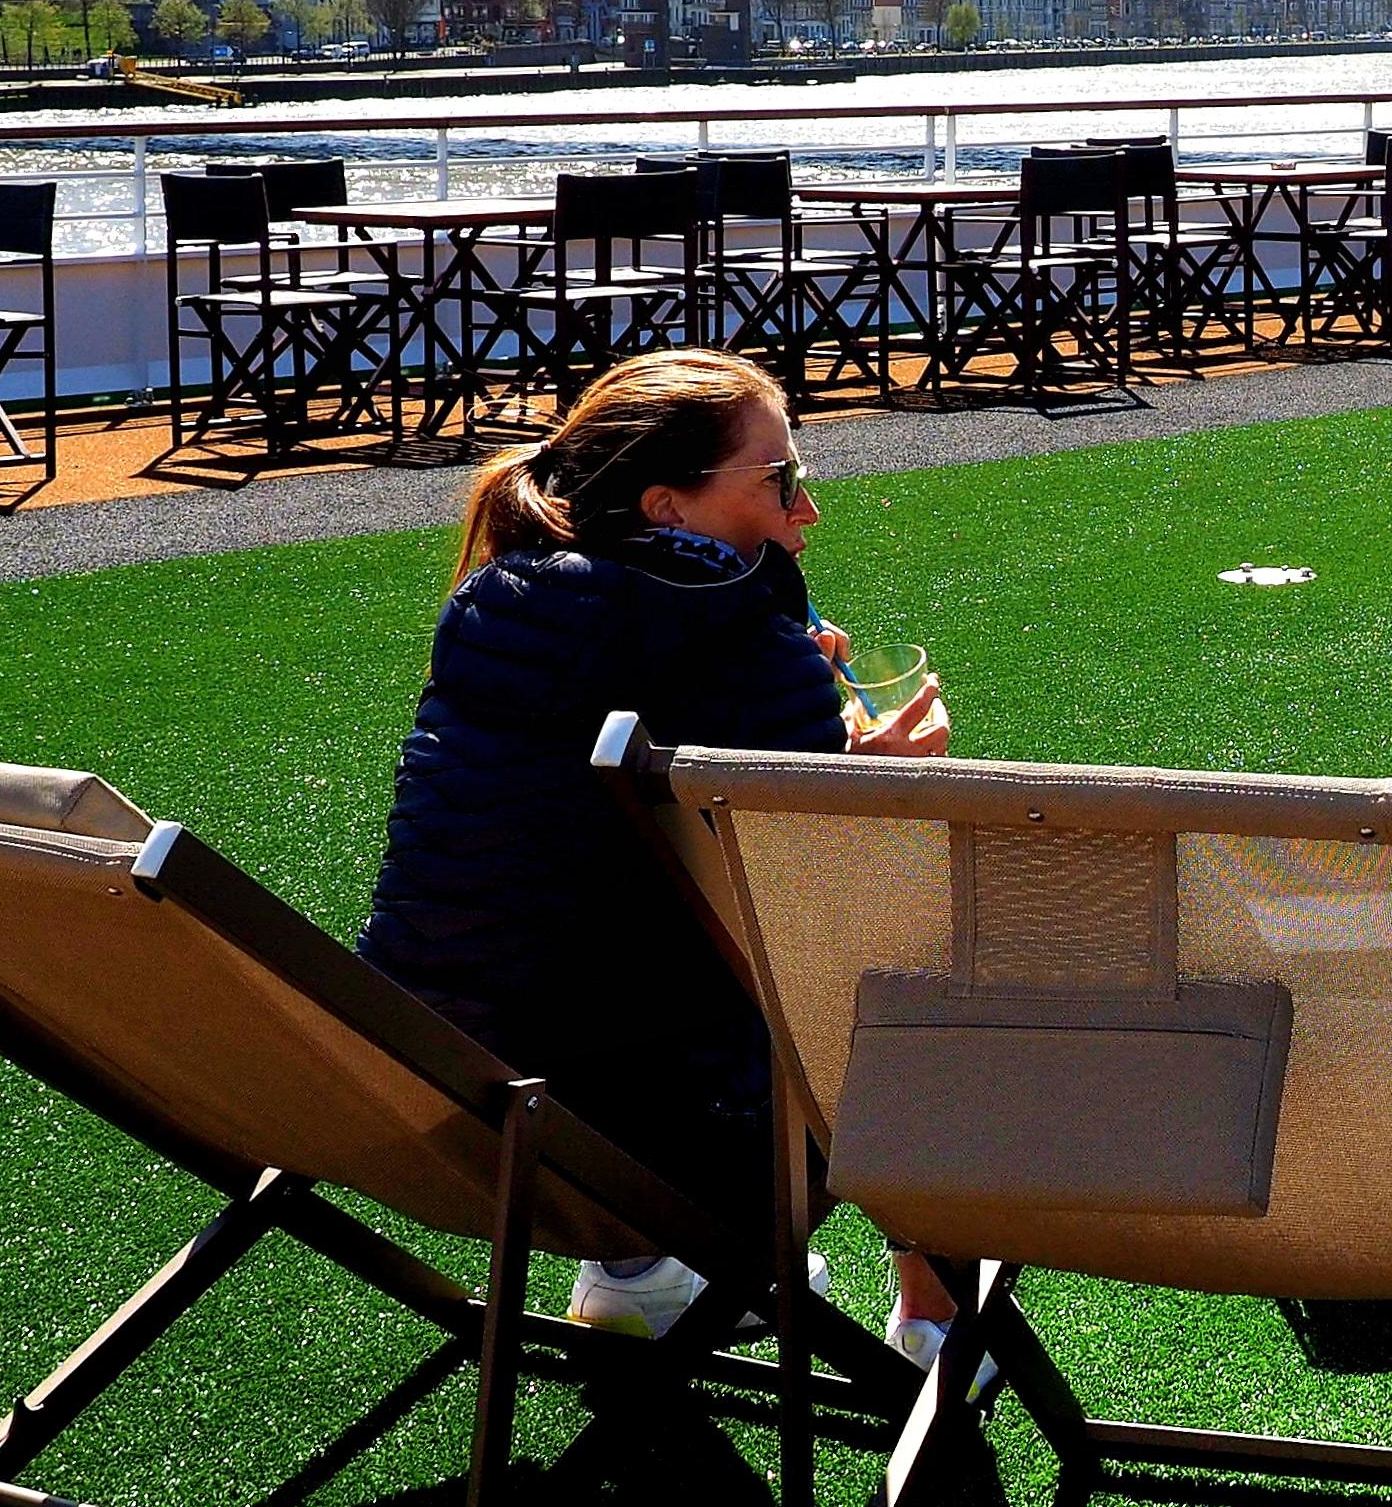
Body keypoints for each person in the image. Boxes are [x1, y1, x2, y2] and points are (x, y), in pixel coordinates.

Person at [357, 349, 950, 1343]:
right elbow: (829, 910)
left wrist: (799, 713)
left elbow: (582, 853)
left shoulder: (497, 606)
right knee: (920, 979)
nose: (807, 513)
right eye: (781, 479)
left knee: (583, 933)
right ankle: (939, 1327)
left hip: (442, 1097)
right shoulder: (743, 650)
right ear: (668, 506)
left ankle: (635, 1271)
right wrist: (871, 777)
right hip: (669, 1139)